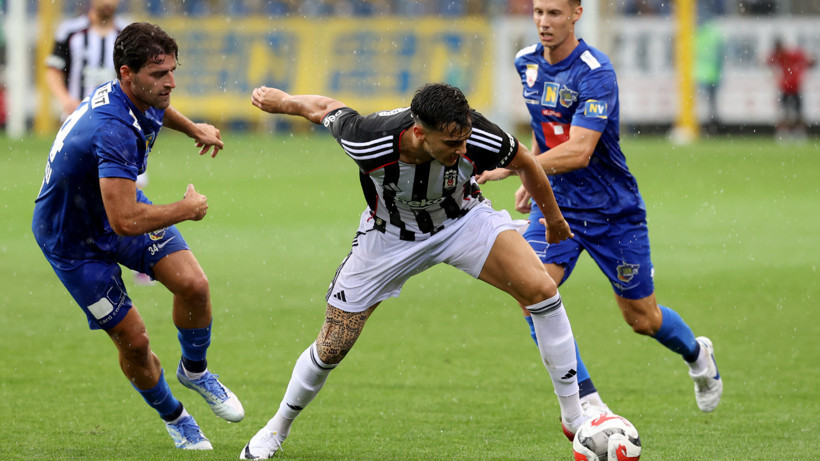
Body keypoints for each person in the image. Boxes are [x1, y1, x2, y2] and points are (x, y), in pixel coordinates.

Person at [240, 82, 594, 459]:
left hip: (462, 220)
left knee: (542, 290)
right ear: (419, 133)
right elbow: (325, 106)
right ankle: (277, 427)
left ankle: (573, 416)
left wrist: (554, 221)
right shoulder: (368, 139)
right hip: (389, 236)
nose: (462, 151)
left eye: (465, 141)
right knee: (332, 347)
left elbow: (524, 161)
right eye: (451, 144)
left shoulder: (478, 135)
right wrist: (285, 102)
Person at [478, 0, 722, 415]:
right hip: (559, 208)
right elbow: (547, 131)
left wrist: (517, 165)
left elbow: (580, 150)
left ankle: (697, 354)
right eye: (538, 12)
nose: (543, 22)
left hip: (613, 213)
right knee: (531, 290)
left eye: (554, 13)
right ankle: (588, 401)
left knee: (642, 319)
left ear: (577, 13)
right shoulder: (526, 63)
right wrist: (534, 180)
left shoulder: (595, 72)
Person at [32, 22, 244, 451]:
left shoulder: (137, 94)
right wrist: (185, 210)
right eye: (158, 74)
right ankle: (175, 416)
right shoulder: (112, 129)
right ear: (127, 74)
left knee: (193, 285)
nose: (170, 83)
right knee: (135, 341)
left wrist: (193, 128)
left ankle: (196, 371)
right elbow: (126, 221)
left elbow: (159, 108)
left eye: (171, 71)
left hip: (112, 208)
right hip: (73, 242)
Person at [45, 0, 153, 284]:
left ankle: (139, 257)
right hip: (81, 128)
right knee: (84, 190)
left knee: (130, 188)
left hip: (120, 127)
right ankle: (82, 252)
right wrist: (66, 99)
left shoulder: (127, 33)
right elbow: (53, 70)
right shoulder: (70, 32)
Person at [767, 38, 816, 142]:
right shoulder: (780, 55)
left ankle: (799, 133)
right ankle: (783, 134)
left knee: (798, 113)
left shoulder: (793, 54)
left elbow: (809, 61)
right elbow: (768, 61)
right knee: (783, 113)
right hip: (785, 87)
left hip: (795, 87)